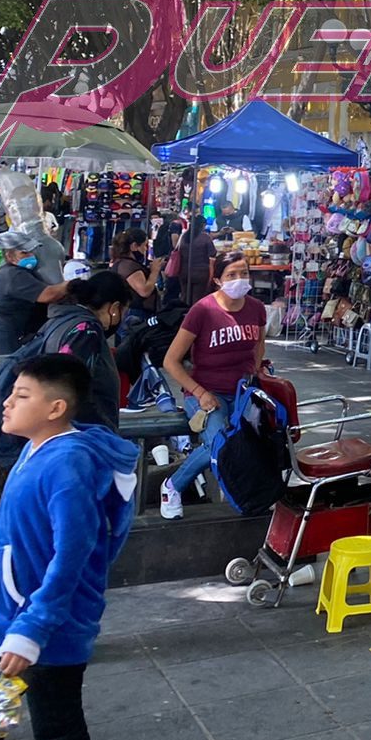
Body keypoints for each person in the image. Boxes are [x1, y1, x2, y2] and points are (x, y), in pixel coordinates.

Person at [0, 354, 138, 740]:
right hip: (15, 612)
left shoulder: (67, 464)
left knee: (51, 728)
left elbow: (73, 554)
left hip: (43, 621)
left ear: (56, 408)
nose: (6, 402)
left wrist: (32, 630)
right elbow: (28, 515)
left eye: (21, 395)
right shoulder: (37, 449)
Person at [158, 251, 267, 519]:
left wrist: (256, 369)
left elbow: (259, 345)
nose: (239, 279)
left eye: (244, 273)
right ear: (217, 279)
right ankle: (172, 486)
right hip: (205, 393)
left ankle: (246, 493)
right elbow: (171, 361)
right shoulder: (203, 310)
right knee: (221, 443)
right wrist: (200, 393)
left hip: (242, 393)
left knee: (255, 441)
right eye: (231, 275)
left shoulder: (256, 308)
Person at [39, 270, 134, 430]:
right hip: (82, 434)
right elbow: (73, 388)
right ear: (114, 307)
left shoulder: (62, 320)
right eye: (123, 312)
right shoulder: (86, 331)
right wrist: (103, 433)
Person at [0, 230, 71, 356]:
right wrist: (72, 285)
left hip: (21, 337)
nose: (31, 255)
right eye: (24, 253)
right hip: (9, 344)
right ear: (10, 256)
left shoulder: (18, 271)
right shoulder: (12, 275)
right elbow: (48, 295)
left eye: (32, 251)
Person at [109, 229, 163, 338]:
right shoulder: (128, 266)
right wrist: (154, 272)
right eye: (144, 245)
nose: (145, 249)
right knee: (134, 343)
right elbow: (144, 291)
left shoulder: (121, 263)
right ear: (134, 246)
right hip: (135, 313)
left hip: (128, 312)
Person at [168, 217, 216, 304]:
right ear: (203, 225)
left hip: (183, 272)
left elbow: (176, 249)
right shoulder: (205, 238)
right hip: (201, 273)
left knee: (185, 297)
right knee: (197, 299)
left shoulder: (183, 236)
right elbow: (212, 256)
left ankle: (183, 312)